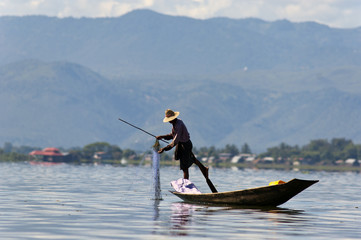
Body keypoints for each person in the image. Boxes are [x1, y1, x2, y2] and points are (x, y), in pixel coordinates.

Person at [156, 109, 209, 180]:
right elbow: (172, 135)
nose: (169, 121)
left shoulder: (179, 125)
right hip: (181, 144)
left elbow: (175, 140)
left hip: (186, 145)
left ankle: (186, 183)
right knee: (190, 159)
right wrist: (162, 136)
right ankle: (204, 168)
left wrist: (164, 148)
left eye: (169, 119)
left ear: (173, 118)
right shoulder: (175, 123)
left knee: (184, 167)